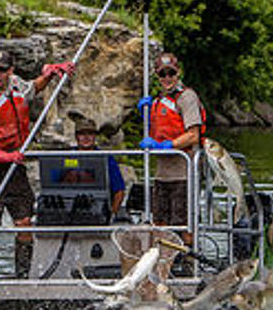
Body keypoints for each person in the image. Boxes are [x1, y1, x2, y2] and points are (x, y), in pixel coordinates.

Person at [0, 48, 74, 278]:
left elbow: (34, 88)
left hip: (15, 168)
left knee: (24, 223)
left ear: (10, 70)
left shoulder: (16, 85)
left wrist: (51, 74)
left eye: (3, 69)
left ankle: (22, 277)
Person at [137, 52, 206, 275]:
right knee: (159, 224)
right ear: (157, 76)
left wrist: (168, 145)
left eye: (171, 73)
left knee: (183, 224)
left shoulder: (186, 98)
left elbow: (193, 135)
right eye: (162, 74)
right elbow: (156, 129)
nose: (167, 78)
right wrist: (145, 115)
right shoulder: (156, 101)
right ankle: (162, 268)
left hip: (183, 173)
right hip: (162, 174)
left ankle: (187, 266)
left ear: (178, 73)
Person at [71, 115, 126, 220]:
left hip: (98, 211)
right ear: (76, 136)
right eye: (82, 134)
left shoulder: (106, 158)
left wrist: (111, 215)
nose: (86, 137)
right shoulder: (65, 157)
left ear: (95, 136)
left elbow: (119, 190)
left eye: (90, 133)